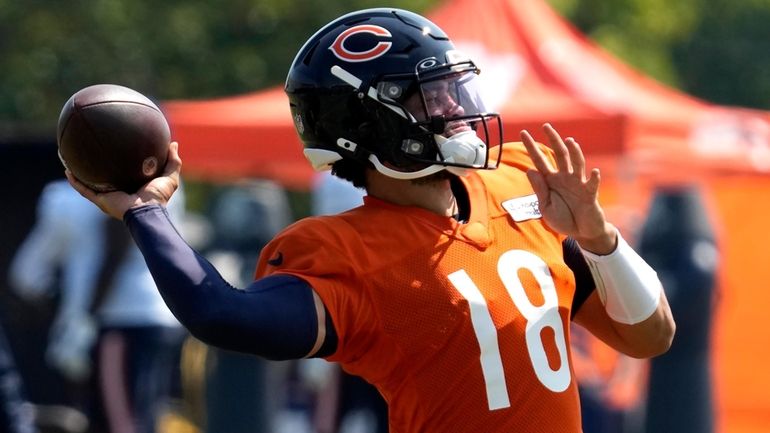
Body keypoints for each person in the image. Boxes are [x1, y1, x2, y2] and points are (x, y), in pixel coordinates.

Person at [66, 8, 675, 432]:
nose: (459, 111)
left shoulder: (523, 182)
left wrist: (599, 238)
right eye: (431, 98)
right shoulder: (346, 252)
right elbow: (223, 316)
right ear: (372, 126)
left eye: (454, 90)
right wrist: (145, 209)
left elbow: (651, 337)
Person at [9, 178, 187, 433]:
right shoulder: (165, 183)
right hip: (158, 316)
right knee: (131, 418)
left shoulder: (66, 199)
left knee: (124, 425)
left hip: (117, 322)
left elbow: (27, 275)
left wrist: (80, 317)